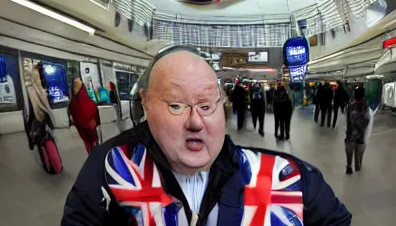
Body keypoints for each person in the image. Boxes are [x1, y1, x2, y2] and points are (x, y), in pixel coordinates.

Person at [62, 48, 352, 225]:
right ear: (146, 103)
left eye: (206, 105)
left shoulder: (290, 178)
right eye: (176, 105)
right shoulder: (111, 169)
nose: (195, 121)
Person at [69, 77, 101, 154]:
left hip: (81, 129)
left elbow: (72, 118)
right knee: (94, 143)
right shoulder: (90, 102)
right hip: (91, 128)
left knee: (87, 144)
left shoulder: (72, 104)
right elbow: (96, 115)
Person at [345, 87, 371, 175]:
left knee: (349, 151)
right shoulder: (366, 106)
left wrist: (348, 130)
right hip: (360, 134)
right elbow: (367, 120)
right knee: (359, 152)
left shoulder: (350, 105)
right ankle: (358, 167)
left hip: (351, 133)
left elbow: (348, 119)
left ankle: (349, 167)